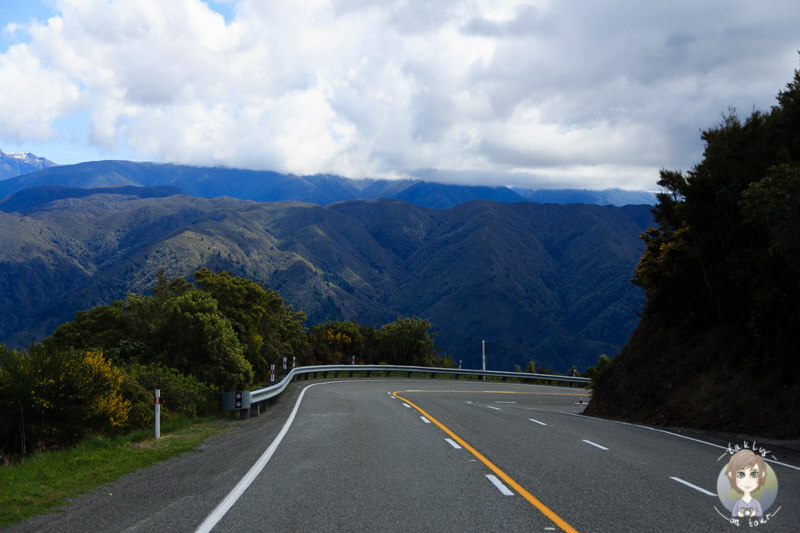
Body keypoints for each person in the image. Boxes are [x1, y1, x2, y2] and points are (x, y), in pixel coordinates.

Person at [725, 449, 767, 518]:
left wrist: (753, 513)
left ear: (762, 475)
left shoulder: (755, 502)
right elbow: (734, 513)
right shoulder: (738, 502)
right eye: (741, 474)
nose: (747, 480)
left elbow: (760, 513)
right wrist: (739, 513)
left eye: (754, 474)